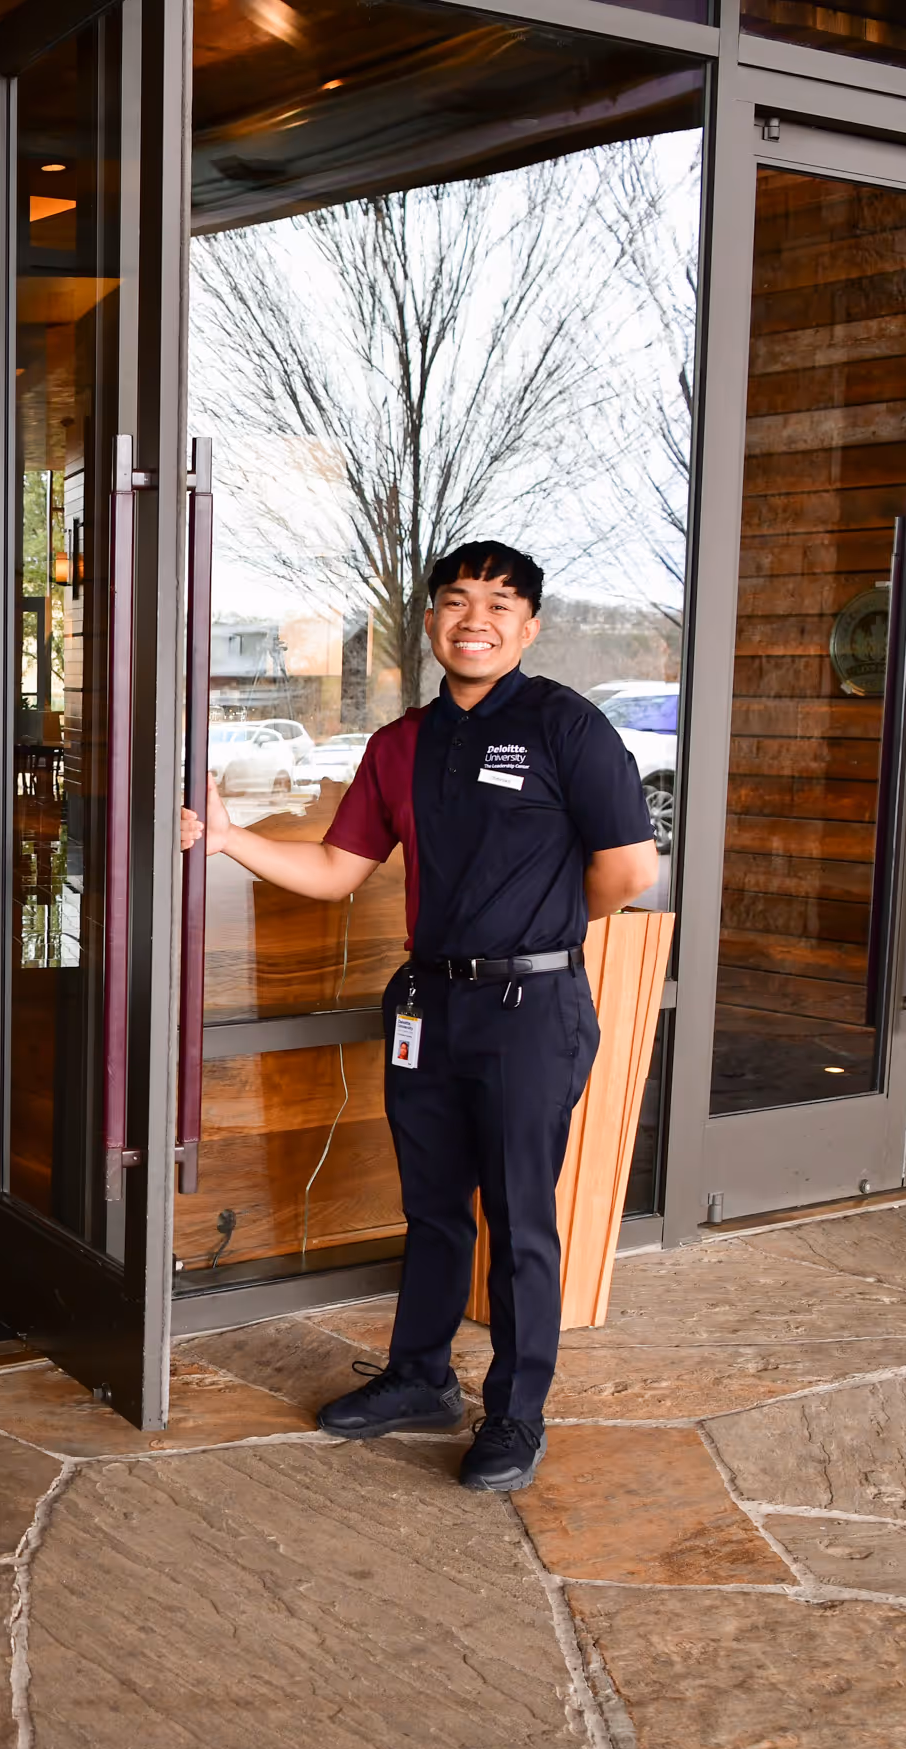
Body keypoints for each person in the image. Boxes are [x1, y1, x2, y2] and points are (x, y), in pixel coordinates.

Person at [182, 542, 656, 1491]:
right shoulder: (398, 745)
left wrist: (539, 934)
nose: (474, 619)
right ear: (432, 620)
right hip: (428, 1005)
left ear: (528, 626)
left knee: (521, 1217)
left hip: (530, 1007)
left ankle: (516, 1415)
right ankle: (421, 1377)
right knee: (434, 1207)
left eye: (499, 604)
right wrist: (233, 841)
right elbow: (334, 871)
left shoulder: (569, 728)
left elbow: (628, 871)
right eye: (455, 602)